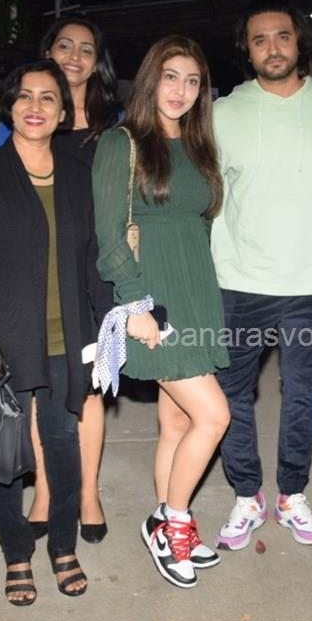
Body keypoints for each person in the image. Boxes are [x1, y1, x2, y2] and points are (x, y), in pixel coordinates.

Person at [0, 59, 112, 604]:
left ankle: (63, 547)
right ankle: (17, 553)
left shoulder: (78, 174)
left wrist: (103, 331)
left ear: (64, 112)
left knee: (64, 447)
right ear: (11, 107)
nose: (36, 106)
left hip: (69, 337)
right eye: (25, 96)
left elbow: (92, 258)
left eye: (48, 97)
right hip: (6, 342)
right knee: (6, 452)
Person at [211, 0, 312, 550]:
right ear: (246, 51)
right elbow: (202, 198)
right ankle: (246, 494)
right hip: (238, 281)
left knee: (302, 397)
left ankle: (292, 493)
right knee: (232, 394)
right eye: (260, 40)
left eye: (282, 36)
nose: (272, 48)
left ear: (300, 43)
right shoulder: (222, 114)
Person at [93, 35, 230, 589]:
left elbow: (200, 226)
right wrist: (134, 303)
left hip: (196, 292)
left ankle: (167, 519)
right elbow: (109, 236)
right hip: (155, 301)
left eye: (193, 81)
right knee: (214, 417)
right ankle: (172, 526)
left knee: (176, 422)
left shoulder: (198, 146)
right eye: (171, 77)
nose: (181, 90)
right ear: (151, 79)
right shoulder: (121, 143)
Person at [0, 16, 122, 544]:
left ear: (98, 62)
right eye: (64, 45)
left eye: (86, 49)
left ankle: (88, 493)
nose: (74, 56)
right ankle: (46, 492)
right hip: (34, 274)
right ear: (47, 51)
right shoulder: (22, 117)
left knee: (86, 388)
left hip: (91, 268)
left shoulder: (113, 124)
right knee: (39, 388)